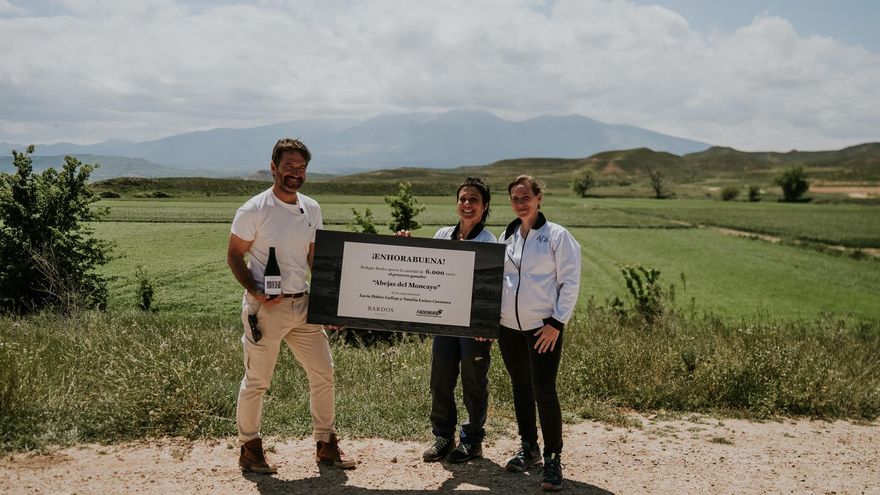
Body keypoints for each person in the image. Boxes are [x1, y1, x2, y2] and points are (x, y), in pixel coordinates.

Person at [227, 138, 356, 474]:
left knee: (324, 373)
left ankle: (325, 444)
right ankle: (249, 447)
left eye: (301, 169)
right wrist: (255, 289)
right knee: (257, 381)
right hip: (266, 310)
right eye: (289, 168)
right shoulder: (254, 209)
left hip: (304, 306)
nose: (295, 174)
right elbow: (234, 255)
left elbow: (315, 258)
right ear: (273, 168)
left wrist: (330, 303)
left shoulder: (311, 208)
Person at [497, 175, 580, 492]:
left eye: (525, 196)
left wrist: (557, 323)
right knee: (520, 387)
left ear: (538, 198)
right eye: (515, 198)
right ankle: (529, 448)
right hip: (509, 329)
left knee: (544, 391)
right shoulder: (509, 234)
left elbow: (570, 282)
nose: (520, 203)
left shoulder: (557, 235)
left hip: (542, 329)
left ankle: (553, 459)